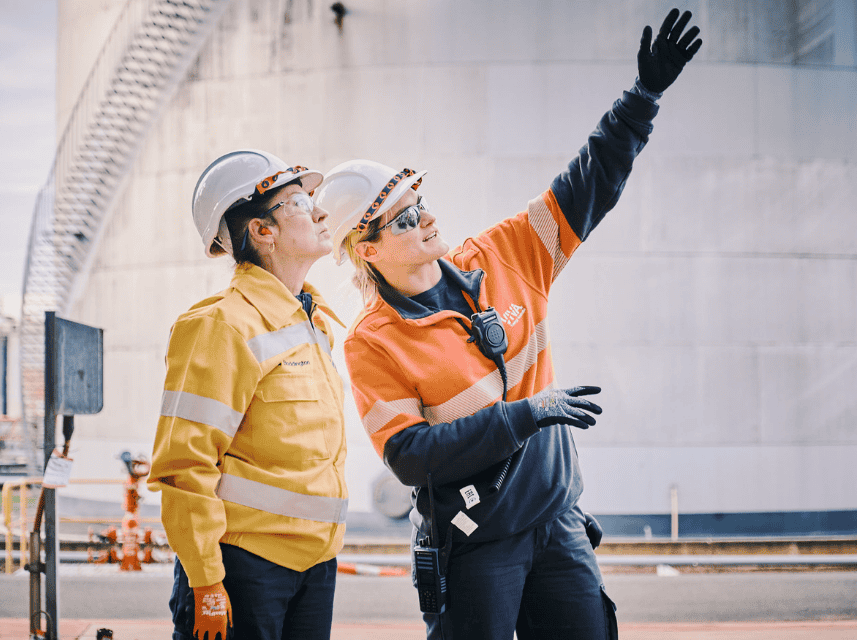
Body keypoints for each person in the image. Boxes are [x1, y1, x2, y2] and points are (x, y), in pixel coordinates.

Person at [314, 9, 702, 640]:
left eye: (422, 204)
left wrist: (642, 98)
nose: (426, 220)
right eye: (405, 219)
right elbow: (411, 457)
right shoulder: (373, 343)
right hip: (479, 542)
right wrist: (526, 414)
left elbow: (586, 186)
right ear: (368, 250)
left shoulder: (500, 256)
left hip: (557, 522)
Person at [147, 150, 348, 640]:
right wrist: (207, 583)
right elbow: (184, 467)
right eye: (300, 202)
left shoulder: (312, 321)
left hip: (316, 563)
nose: (320, 212)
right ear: (263, 231)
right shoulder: (220, 326)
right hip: (245, 568)